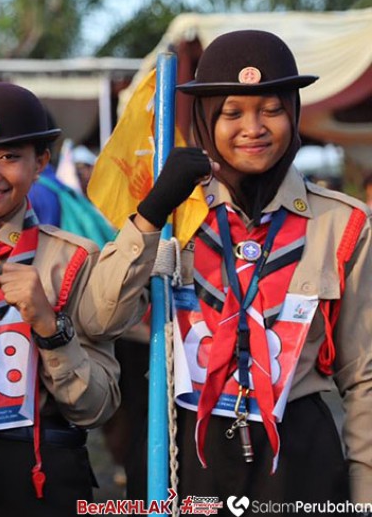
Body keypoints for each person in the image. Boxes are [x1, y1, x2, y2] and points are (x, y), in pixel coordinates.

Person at [121, 30, 372, 501]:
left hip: (298, 458)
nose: (252, 127)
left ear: (293, 114)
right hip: (183, 448)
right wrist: (150, 215)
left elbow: (364, 377)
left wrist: (365, 495)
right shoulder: (171, 215)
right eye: (232, 113)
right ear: (205, 120)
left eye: (271, 110)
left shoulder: (346, 224)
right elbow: (99, 317)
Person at [0, 82, 164, 516]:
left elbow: (96, 407)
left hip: (39, 481)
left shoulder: (75, 260)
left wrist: (50, 327)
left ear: (41, 164)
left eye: (9, 156)